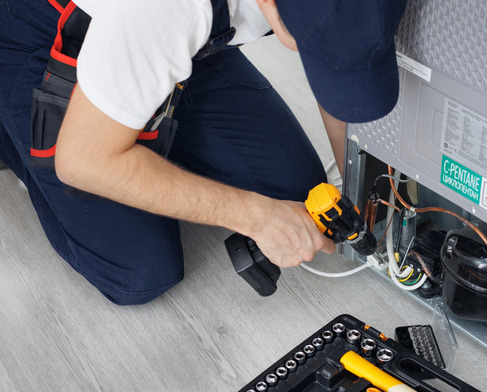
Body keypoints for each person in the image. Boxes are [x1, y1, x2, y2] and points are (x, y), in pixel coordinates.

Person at [0, 0, 407, 304]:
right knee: (139, 271)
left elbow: (340, 70)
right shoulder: (166, 9)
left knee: (298, 190)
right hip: (46, 26)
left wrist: (366, 192)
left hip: (175, 42)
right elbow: (83, 162)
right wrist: (255, 216)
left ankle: (139, 106)